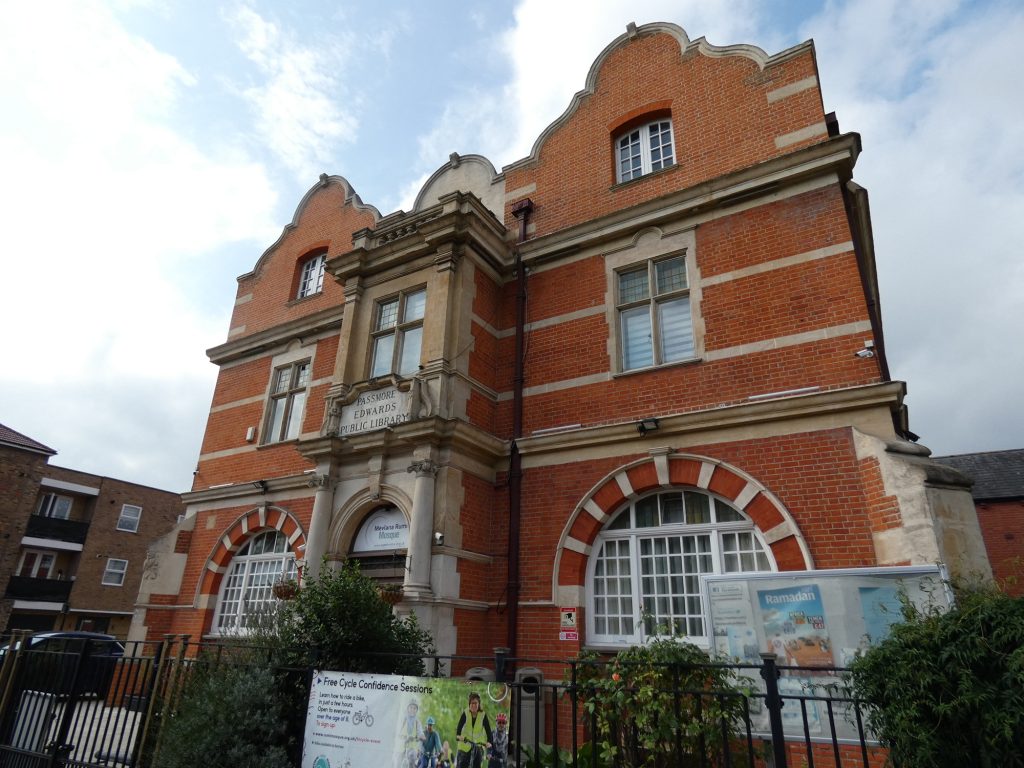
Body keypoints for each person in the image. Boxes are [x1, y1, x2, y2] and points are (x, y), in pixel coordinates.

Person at [455, 692, 492, 768]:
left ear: (479, 704)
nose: (474, 705)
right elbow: (458, 732)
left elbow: (489, 732)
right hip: (464, 746)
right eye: (472, 703)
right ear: (469, 704)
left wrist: (489, 742)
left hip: (478, 747)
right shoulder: (465, 713)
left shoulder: (483, 715)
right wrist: (459, 737)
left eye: (476, 703)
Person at [402, 700, 424, 768]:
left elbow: (420, 731)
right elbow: (398, 729)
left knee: (412, 758)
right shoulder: (404, 719)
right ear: (408, 708)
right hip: (402, 745)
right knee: (398, 759)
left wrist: (421, 736)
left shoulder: (417, 721)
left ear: (416, 710)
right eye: (411, 707)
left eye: (414, 708)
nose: (412, 710)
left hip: (413, 747)